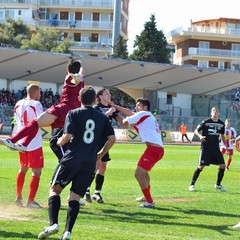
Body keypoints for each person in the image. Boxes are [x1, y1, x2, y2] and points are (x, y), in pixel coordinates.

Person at [37, 86, 116, 240]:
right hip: (89, 162)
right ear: (95, 100)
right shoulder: (102, 117)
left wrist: (59, 142)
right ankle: (68, 232)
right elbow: (112, 139)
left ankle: (53, 224)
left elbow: (67, 136)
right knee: (74, 197)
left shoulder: (73, 113)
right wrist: (99, 155)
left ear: (79, 99)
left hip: (71, 158)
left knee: (55, 190)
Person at [0, 58, 84, 152]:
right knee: (37, 124)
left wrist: (76, 77)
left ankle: (13, 140)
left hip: (64, 109)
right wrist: (79, 73)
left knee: (34, 123)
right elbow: (78, 78)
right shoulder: (81, 81)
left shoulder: (69, 77)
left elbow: (74, 80)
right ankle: (24, 144)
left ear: (67, 69)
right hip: (73, 113)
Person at [110, 97, 164, 208]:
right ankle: (146, 196)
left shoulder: (143, 114)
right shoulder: (145, 115)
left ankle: (149, 201)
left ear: (145, 107)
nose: (136, 107)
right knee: (144, 173)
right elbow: (130, 113)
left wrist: (114, 114)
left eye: (138, 105)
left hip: (154, 149)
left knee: (138, 174)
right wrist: (114, 106)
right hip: (156, 149)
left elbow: (125, 123)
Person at [84, 88, 124, 204]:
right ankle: (86, 189)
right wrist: (108, 113)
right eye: (107, 93)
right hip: (96, 141)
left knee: (103, 167)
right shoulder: (96, 108)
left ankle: (97, 192)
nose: (109, 95)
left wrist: (118, 112)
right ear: (100, 96)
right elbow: (97, 122)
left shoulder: (112, 109)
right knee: (95, 166)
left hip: (106, 141)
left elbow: (123, 123)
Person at [13, 84, 44, 208]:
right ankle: (30, 201)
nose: (40, 95)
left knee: (22, 169)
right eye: (39, 92)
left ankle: (18, 197)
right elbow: (40, 121)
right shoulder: (36, 104)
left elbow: (15, 122)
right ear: (35, 92)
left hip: (21, 142)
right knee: (36, 172)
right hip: (34, 142)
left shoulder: (18, 103)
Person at [189, 106, 227, 192]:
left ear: (219, 113)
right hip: (206, 148)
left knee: (223, 166)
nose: (215, 112)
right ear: (211, 113)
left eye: (217, 111)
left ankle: (218, 184)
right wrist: (200, 136)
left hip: (216, 149)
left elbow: (222, 135)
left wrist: (225, 146)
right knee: (201, 167)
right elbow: (196, 131)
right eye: (213, 110)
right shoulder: (206, 122)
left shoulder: (221, 124)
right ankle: (192, 184)